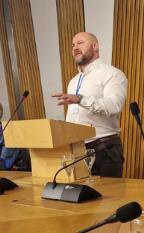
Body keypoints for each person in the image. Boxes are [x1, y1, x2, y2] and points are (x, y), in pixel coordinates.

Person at [52, 31, 128, 177]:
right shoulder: (73, 81)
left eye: (80, 43)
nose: (75, 48)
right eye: (73, 45)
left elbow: (114, 106)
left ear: (95, 46)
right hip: (77, 151)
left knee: (110, 192)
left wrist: (80, 99)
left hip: (103, 149)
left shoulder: (111, 73)